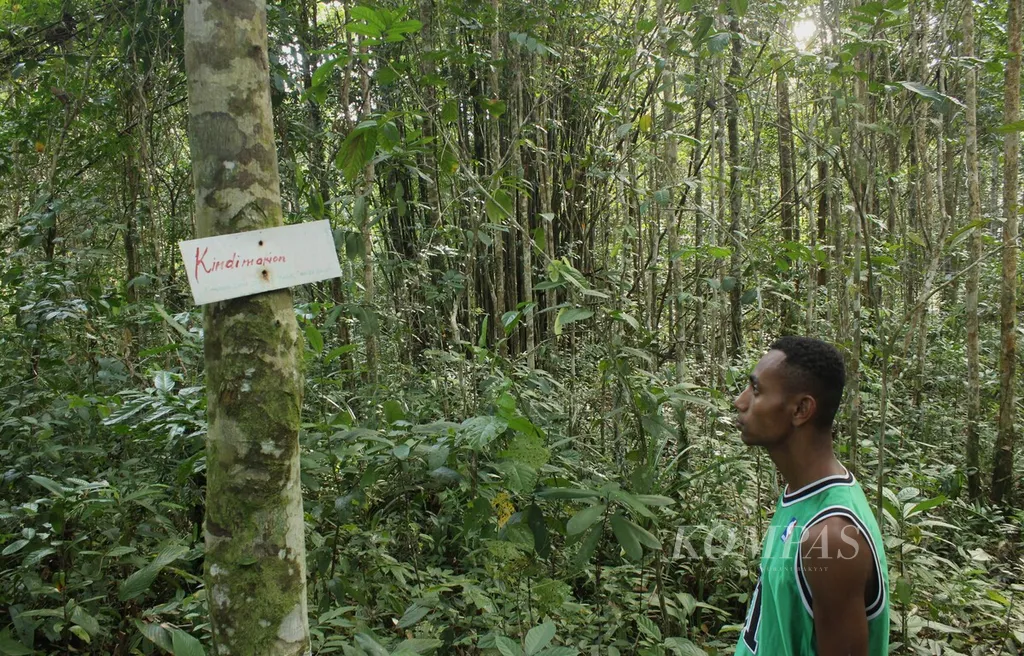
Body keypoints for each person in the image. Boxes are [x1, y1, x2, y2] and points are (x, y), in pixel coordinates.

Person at [732, 336, 889, 656]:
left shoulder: (829, 536)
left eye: (756, 390)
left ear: (801, 409)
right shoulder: (799, 493)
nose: (740, 401)